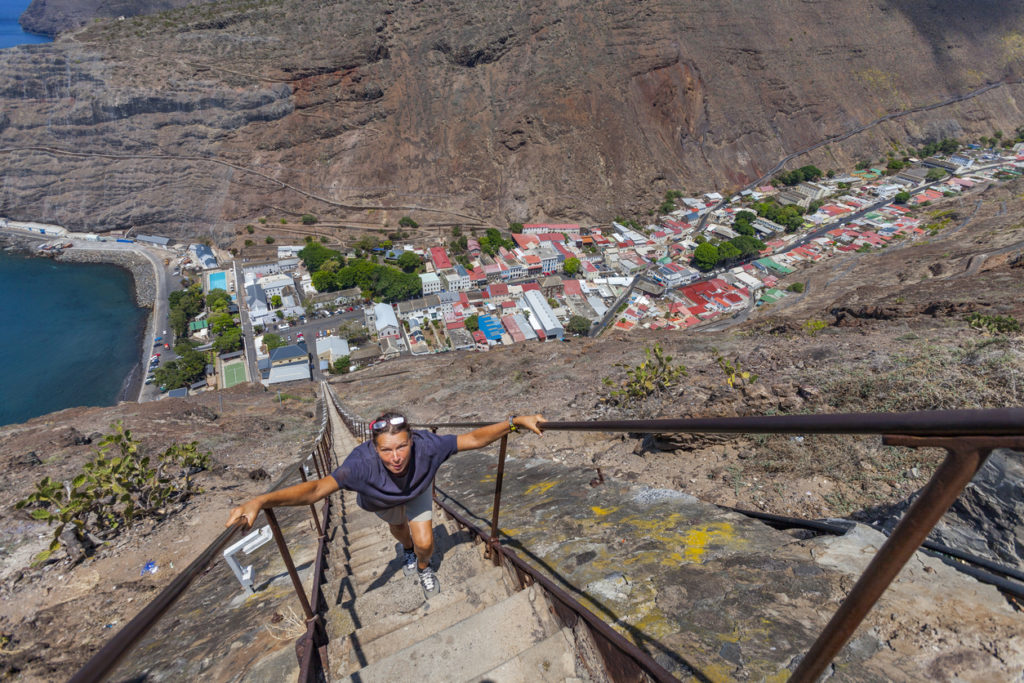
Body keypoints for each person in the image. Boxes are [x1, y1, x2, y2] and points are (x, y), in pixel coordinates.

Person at [226, 411, 545, 598]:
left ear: (413, 440)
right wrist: (261, 500)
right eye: (386, 450)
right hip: (380, 499)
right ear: (373, 447)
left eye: (402, 446)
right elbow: (315, 490)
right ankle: (406, 550)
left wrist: (514, 422)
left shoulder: (428, 446)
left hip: (417, 490)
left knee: (426, 541)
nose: (396, 457)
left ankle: (422, 567)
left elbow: (473, 439)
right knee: (400, 531)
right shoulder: (359, 465)